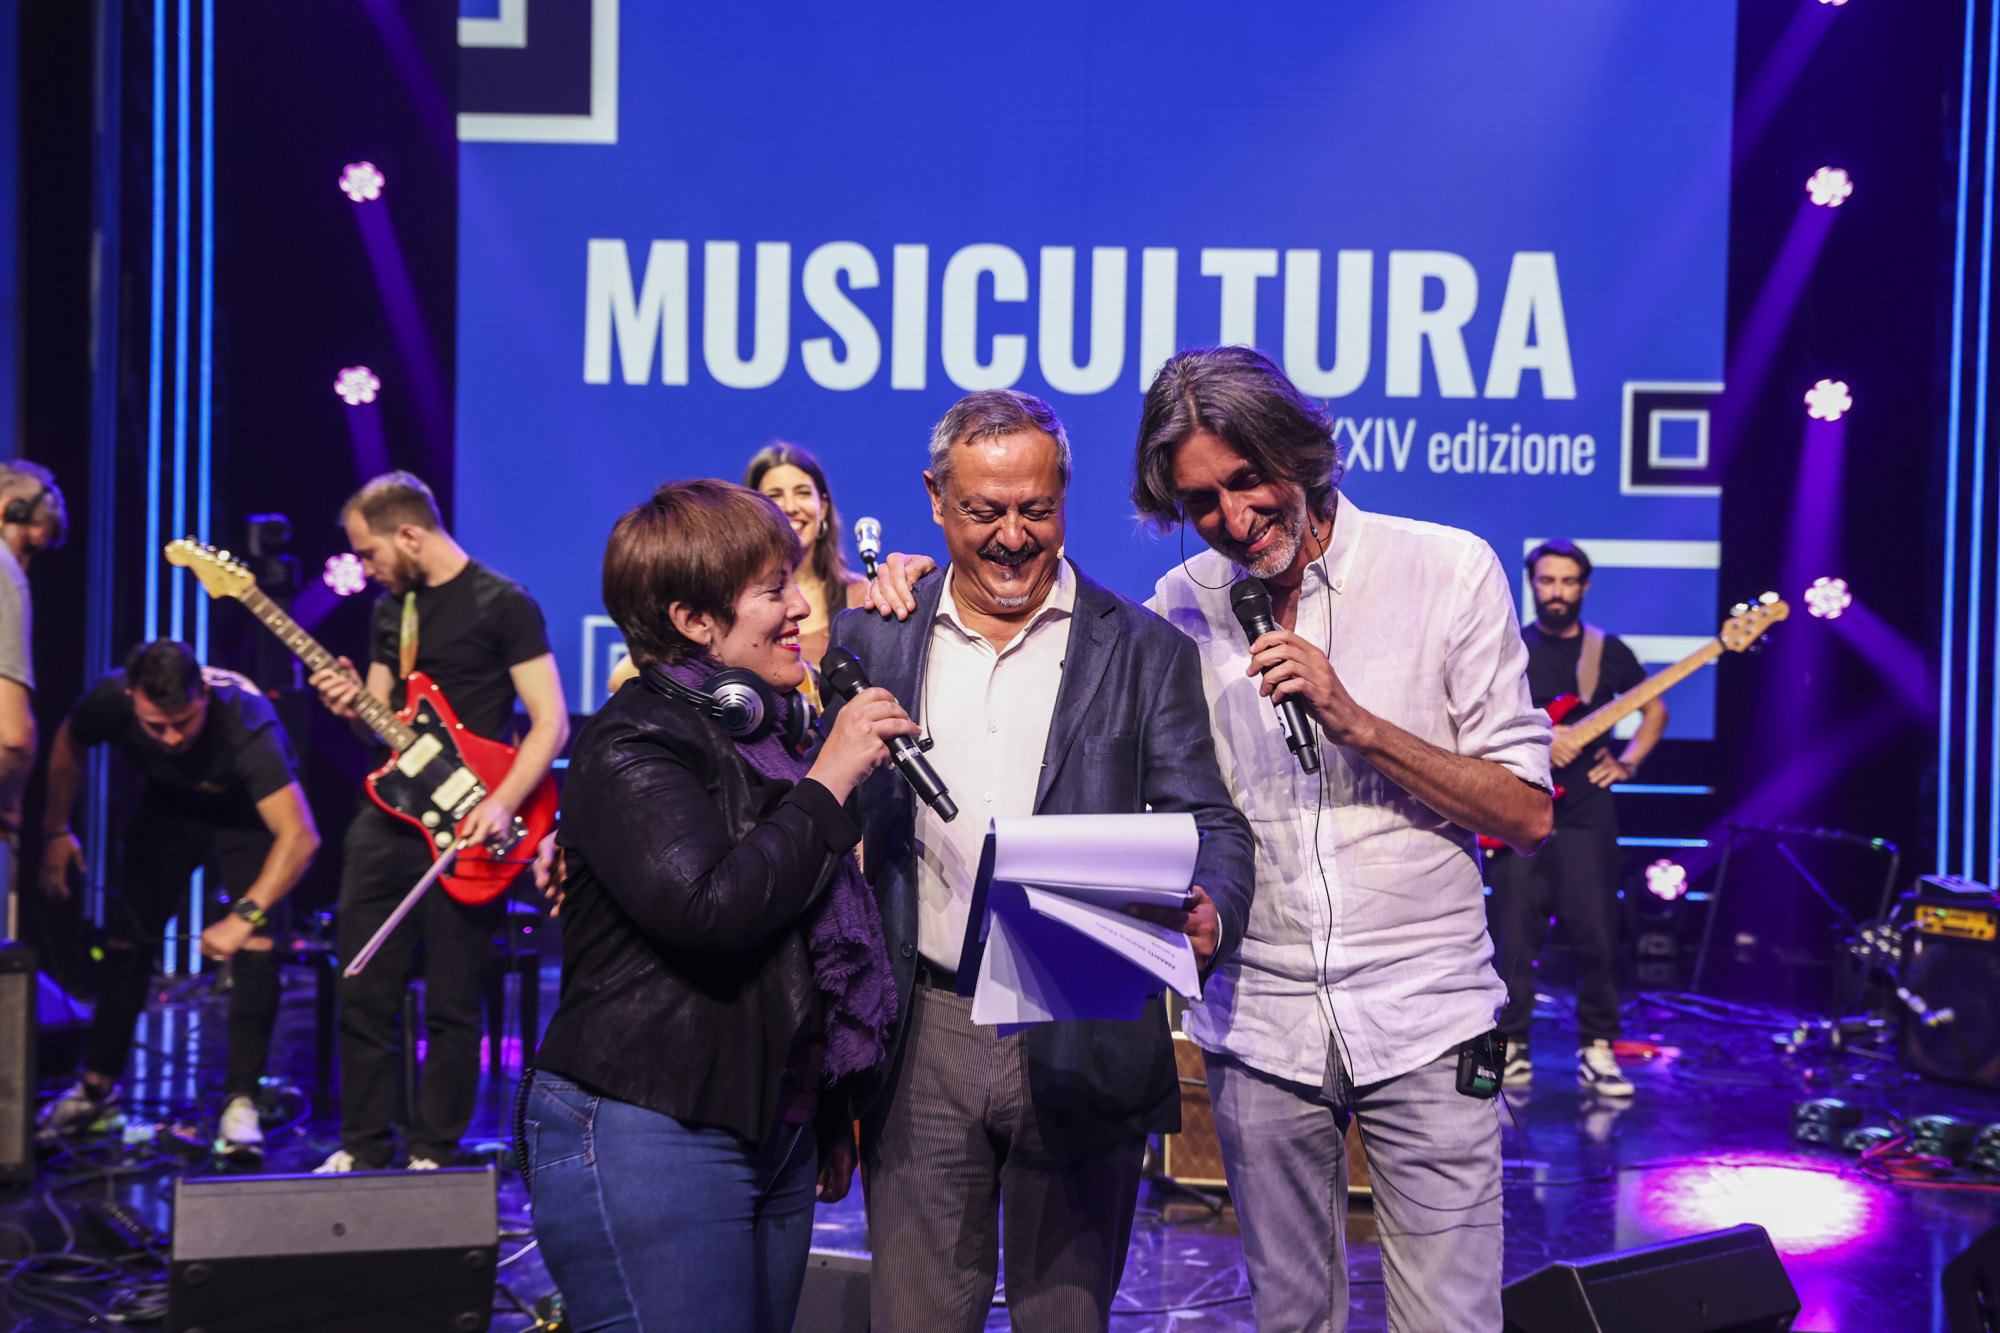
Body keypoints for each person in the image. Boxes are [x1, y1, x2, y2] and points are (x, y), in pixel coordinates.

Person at [1134, 347, 1553, 1333]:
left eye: (1247, 479)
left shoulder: (1444, 570)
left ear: (1300, 452)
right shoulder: (1178, 606)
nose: (1233, 518)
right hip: (1257, 1027)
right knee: (1291, 1321)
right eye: (1200, 501)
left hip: (1427, 1014)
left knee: (1450, 1322)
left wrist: (1357, 722)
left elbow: (1527, 813)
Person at [833, 390, 1254, 1333]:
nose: (1014, 536)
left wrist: (1212, 911)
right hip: (920, 1030)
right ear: (935, 499)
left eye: (1038, 508)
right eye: (985, 511)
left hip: (1081, 1020)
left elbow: (1214, 823)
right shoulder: (872, 637)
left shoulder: (1144, 649)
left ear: (1065, 494)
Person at [525, 479, 910, 1333]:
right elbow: (712, 908)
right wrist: (829, 781)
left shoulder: (766, 735)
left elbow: (806, 938)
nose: (799, 607)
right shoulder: (634, 739)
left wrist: (826, 1107)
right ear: (695, 620)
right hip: (652, 1120)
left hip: (774, 1121)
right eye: (774, 589)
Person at [307, 471, 568, 1172]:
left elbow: (550, 721)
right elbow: (378, 722)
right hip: (387, 820)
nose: (366, 568)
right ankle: (363, 1145)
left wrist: (502, 802)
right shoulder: (392, 611)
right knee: (362, 988)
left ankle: (433, 1150)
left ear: (409, 534)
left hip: (470, 824)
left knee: (454, 1000)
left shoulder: (503, 604)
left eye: (370, 553)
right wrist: (350, 703)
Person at [37, 641, 320, 1150]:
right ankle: (96, 1088)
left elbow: (300, 837)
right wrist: (56, 829)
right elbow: (69, 741)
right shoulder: (110, 699)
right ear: (131, 699)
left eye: (183, 723)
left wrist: (243, 916)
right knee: (126, 942)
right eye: (156, 727)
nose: (171, 737)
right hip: (169, 806)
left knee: (255, 948)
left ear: (203, 694)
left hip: (248, 813)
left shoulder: (247, 725)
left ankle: (241, 1100)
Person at [1487, 538, 1665, 1097]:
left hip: (1587, 812)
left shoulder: (1605, 651)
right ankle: (1510, 1047)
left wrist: (1628, 762)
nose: (1557, 591)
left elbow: (1654, 708)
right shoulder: (1509, 645)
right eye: (1547, 581)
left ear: (1584, 587)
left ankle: (1598, 1048)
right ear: (1532, 585)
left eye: (1568, 581)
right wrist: (1542, 737)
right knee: (1513, 934)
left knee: (1597, 934)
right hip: (1520, 808)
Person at [606, 442, 872, 696]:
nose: (791, 507)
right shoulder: (720, 601)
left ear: (823, 506)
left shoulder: (860, 594)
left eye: (802, 493)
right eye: (775, 496)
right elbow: (624, 675)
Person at [0, 462, 67, 912]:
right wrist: (9, 807)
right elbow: (12, 736)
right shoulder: (4, 571)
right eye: (29, 547)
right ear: (11, 509)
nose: (25, 563)